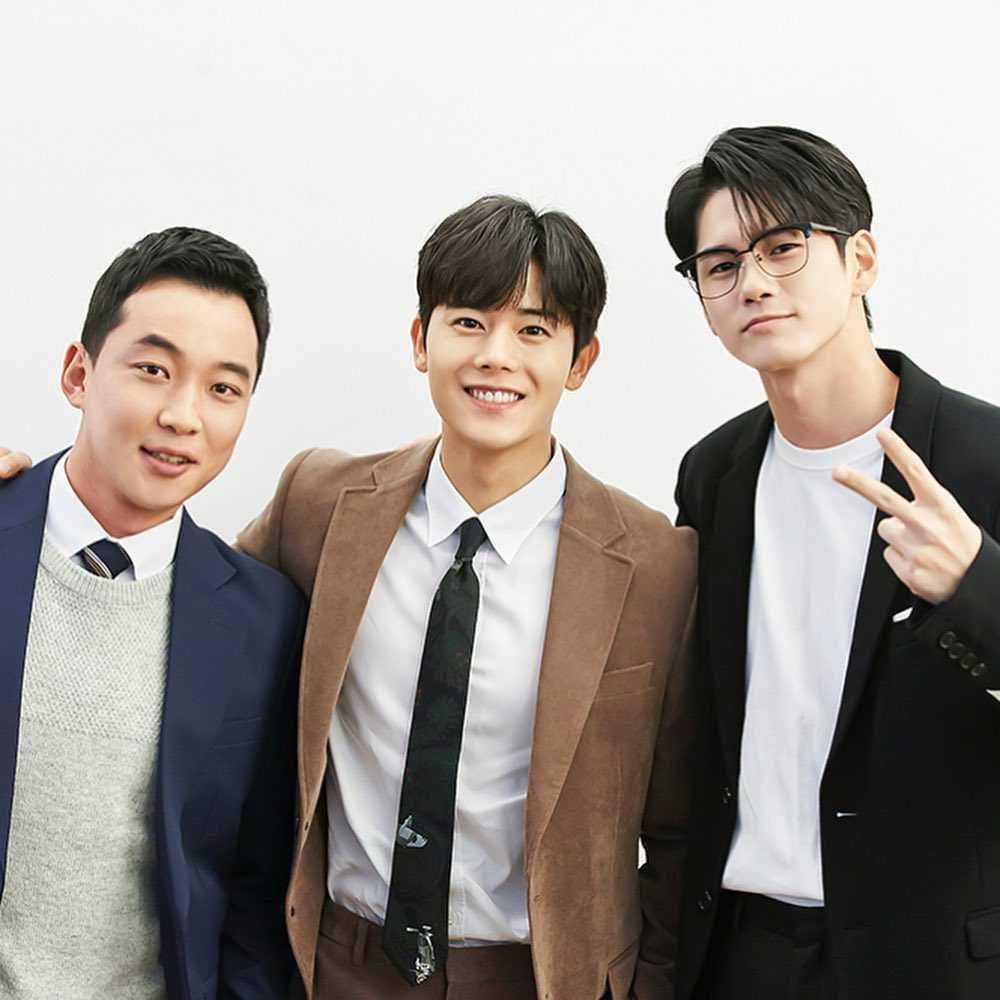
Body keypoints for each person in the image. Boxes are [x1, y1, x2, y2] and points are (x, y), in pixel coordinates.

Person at [235, 195, 698, 999]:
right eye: (468, 323)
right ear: (422, 340)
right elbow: (188, 606)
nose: (496, 356)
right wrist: (42, 502)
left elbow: (680, 823)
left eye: (533, 330)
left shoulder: (656, 564)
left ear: (581, 361)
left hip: (540, 976)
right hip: (338, 965)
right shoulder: (320, 505)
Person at [664, 125, 1000, 1000]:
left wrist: (977, 584)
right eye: (721, 265)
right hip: (743, 950)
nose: (753, 283)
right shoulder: (714, 474)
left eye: (783, 247)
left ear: (861, 261)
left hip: (932, 962)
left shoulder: (986, 459)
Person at [0, 228, 305, 999]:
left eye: (223, 389)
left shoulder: (264, 621)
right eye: (153, 370)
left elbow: (255, 894)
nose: (182, 415)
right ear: (78, 373)